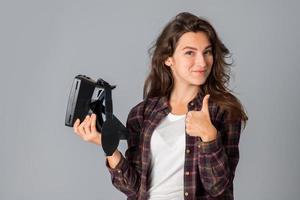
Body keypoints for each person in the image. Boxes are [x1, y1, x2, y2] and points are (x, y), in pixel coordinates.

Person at [73, 12, 248, 200]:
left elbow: (218, 188)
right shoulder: (142, 113)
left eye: (207, 52)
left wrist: (209, 137)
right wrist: (108, 147)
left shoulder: (224, 110)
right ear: (168, 59)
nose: (202, 62)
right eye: (190, 52)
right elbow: (134, 189)